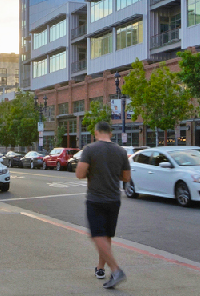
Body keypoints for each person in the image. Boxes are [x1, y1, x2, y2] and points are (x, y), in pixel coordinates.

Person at [75, 121, 130, 289]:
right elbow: (126, 178)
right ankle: (100, 268)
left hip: (96, 199)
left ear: (96, 132)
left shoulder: (90, 149)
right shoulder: (121, 151)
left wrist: (94, 172)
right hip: (114, 199)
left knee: (97, 235)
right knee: (106, 236)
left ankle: (116, 270)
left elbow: (80, 173)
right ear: (110, 134)